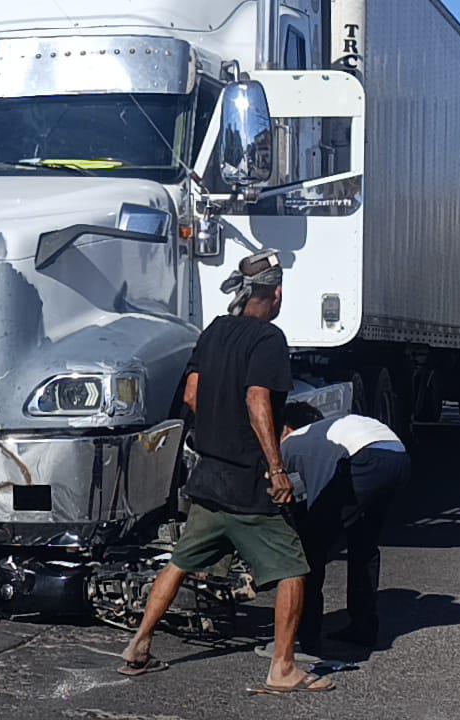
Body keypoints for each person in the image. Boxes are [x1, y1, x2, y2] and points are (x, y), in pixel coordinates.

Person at [119, 251, 334, 694]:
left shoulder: (214, 331)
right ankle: (283, 668)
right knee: (294, 569)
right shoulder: (269, 339)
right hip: (247, 483)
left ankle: (139, 645)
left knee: (180, 562)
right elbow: (258, 400)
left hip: (208, 479)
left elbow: (194, 396)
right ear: (275, 295)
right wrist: (276, 469)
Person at [280, 402, 411, 657]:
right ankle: (363, 628)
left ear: (288, 427)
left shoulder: (295, 440)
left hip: (365, 459)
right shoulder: (333, 427)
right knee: (364, 543)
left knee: (312, 549)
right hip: (398, 455)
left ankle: (307, 638)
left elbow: (313, 491)